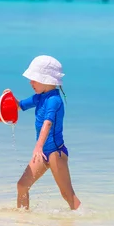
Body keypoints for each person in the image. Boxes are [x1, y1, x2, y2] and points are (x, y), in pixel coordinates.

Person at [7, 55, 81, 211]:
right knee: (22, 185)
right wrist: (9, 98)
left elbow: (47, 123)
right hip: (42, 153)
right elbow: (19, 106)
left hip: (55, 153)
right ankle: (23, 223)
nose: (30, 82)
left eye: (34, 79)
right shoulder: (39, 97)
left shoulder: (54, 100)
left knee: (68, 195)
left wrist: (38, 147)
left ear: (46, 80)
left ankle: (83, 224)